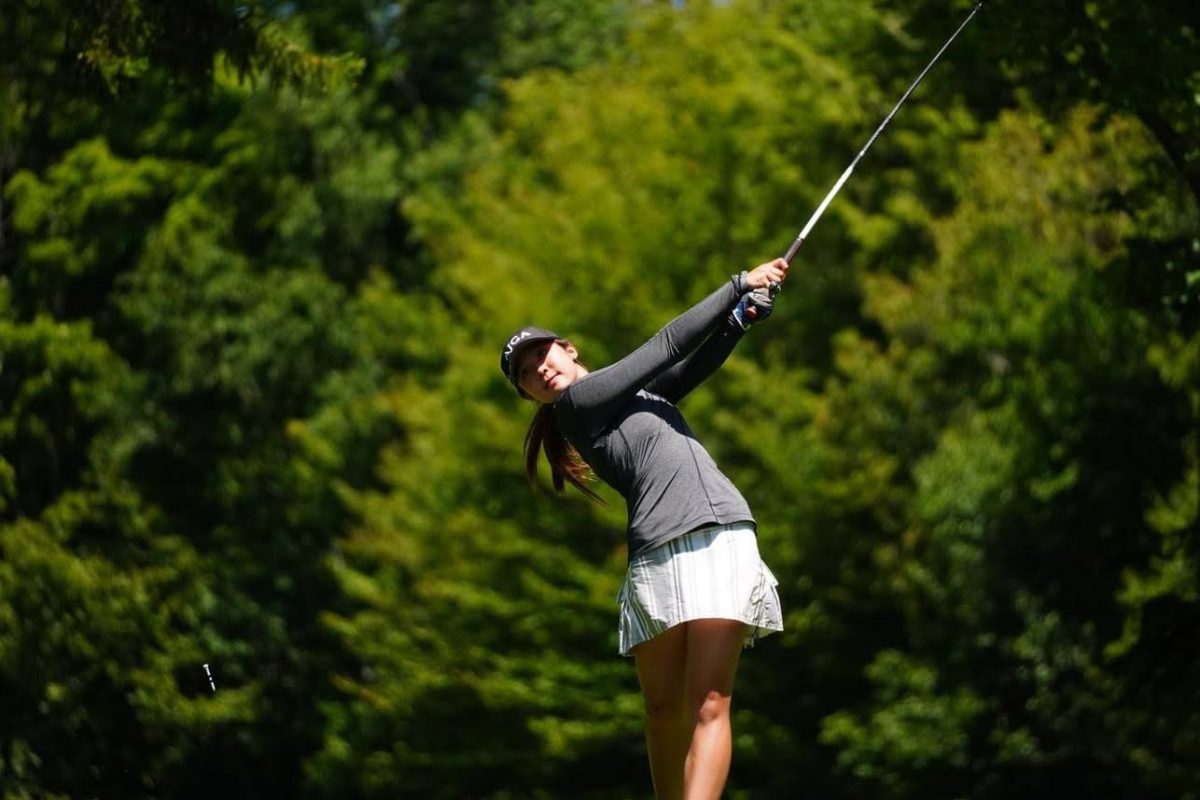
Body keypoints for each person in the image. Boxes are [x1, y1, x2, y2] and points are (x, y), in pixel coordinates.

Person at [498, 260, 788, 800]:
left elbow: (687, 370)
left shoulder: (633, 398)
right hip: (655, 554)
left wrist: (741, 317)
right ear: (529, 396)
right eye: (526, 373)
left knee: (708, 703)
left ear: (569, 349)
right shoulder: (579, 406)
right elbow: (668, 346)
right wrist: (736, 286)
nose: (539, 369)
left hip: (719, 537)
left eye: (543, 354)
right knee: (661, 711)